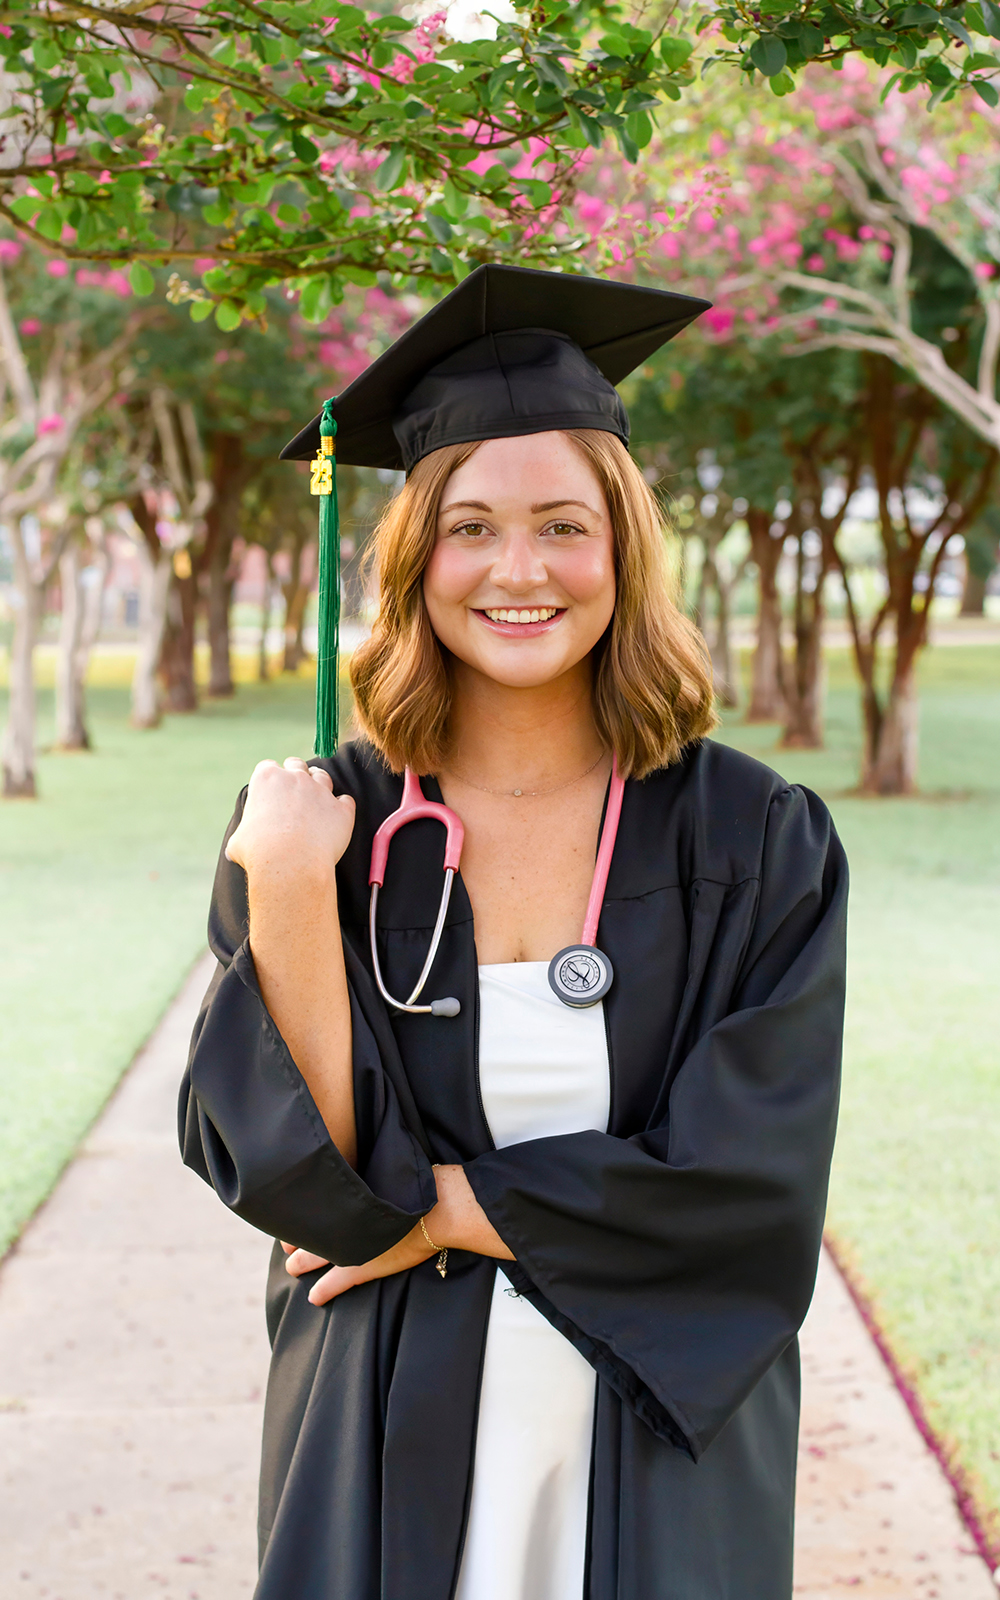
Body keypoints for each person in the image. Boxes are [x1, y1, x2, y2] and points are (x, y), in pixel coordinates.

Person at [180, 265, 847, 1600]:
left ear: (623, 548)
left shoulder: (750, 837)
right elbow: (299, 1187)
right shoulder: (322, 826)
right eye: (472, 528)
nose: (521, 570)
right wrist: (295, 890)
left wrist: (437, 1212)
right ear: (417, 555)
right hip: (379, 1423)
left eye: (563, 525)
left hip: (655, 1432)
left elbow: (748, 1186)